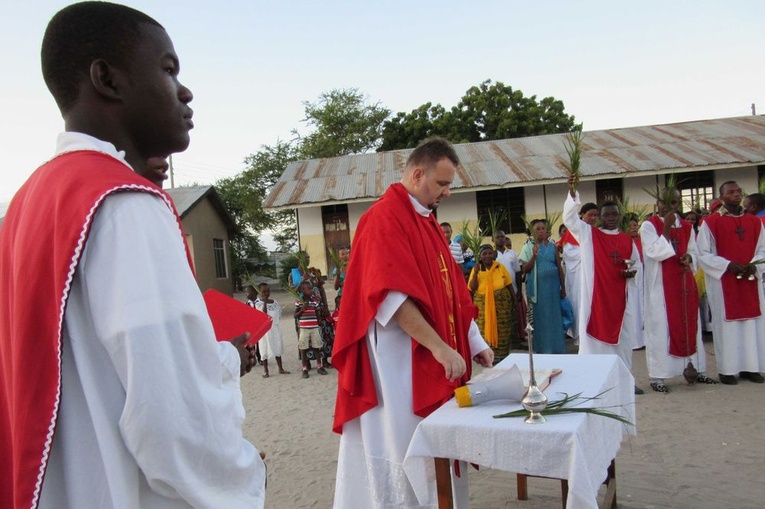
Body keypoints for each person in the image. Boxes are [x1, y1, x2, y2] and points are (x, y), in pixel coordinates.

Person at [0, 4, 266, 509]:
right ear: (107, 79)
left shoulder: (28, 203)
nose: (184, 91)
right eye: (168, 69)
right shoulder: (123, 202)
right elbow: (172, 415)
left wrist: (222, 357)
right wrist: (246, 478)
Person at [332, 138, 493, 508]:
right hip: (398, 361)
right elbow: (390, 297)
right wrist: (439, 347)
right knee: (402, 443)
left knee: (434, 441)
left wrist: (475, 341)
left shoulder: (428, 222)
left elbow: (454, 294)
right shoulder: (383, 218)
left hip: (432, 354)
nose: (448, 192)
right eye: (442, 184)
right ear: (418, 174)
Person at [563, 177, 643, 394]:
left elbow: (637, 267)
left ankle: (625, 380)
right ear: (599, 216)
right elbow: (570, 219)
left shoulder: (628, 240)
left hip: (621, 299)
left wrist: (632, 274)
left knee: (623, 341)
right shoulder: (590, 234)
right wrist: (572, 194)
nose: (610, 218)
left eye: (614, 214)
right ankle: (594, 381)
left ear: (620, 216)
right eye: (606, 214)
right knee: (595, 341)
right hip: (596, 298)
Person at [641, 190, 718, 392]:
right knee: (661, 329)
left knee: (690, 324)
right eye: (665, 202)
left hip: (684, 283)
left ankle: (696, 369)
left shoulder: (686, 226)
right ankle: (658, 376)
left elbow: (694, 250)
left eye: (674, 202)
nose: (670, 206)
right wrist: (666, 226)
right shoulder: (649, 226)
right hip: (661, 287)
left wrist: (690, 258)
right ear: (658, 202)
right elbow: (655, 252)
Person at [697, 181, 765, 385]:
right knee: (727, 327)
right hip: (724, 282)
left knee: (752, 324)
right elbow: (703, 254)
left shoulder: (755, 222)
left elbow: (762, 249)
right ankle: (727, 370)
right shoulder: (710, 223)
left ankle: (751, 368)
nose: (736, 195)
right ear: (721, 196)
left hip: (750, 280)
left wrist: (755, 265)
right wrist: (727, 265)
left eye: (738, 191)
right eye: (730, 192)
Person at [519, 219, 567, 353]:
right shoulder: (528, 247)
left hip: (553, 287)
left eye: (542, 229)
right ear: (533, 232)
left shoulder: (552, 247)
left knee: (554, 317)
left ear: (547, 231)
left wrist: (563, 287)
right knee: (542, 318)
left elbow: (559, 267)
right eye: (537, 229)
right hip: (539, 289)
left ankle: (557, 347)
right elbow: (525, 269)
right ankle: (543, 348)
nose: (540, 231)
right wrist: (534, 255)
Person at [468, 244, 517, 362]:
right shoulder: (477, 269)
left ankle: (503, 357)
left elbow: (509, 285)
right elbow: (472, 288)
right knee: (484, 330)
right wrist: (475, 273)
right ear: (480, 256)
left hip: (502, 307)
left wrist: (515, 301)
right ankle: (488, 356)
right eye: (484, 254)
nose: (487, 256)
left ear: (493, 254)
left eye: (489, 253)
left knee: (503, 331)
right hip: (483, 307)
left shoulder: (500, 267)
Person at [558, 202, 598, 345]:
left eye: (596, 215)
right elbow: (569, 254)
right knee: (581, 303)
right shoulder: (573, 231)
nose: (593, 218)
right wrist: (590, 253)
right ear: (582, 215)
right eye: (590, 215)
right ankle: (580, 337)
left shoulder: (596, 231)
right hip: (579, 276)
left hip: (594, 275)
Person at [295, 280, 329, 378]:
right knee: (303, 348)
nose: (311, 290)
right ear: (302, 290)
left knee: (316, 347)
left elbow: (317, 311)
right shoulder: (299, 301)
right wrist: (302, 309)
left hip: (314, 327)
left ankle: (319, 366)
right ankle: (304, 369)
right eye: (309, 289)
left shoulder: (314, 300)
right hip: (304, 328)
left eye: (311, 288)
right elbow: (295, 315)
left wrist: (318, 319)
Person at [255, 283, 290, 378]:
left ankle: (280, 368)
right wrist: (265, 302)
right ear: (260, 292)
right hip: (265, 331)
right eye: (264, 291)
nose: (267, 293)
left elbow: (278, 314)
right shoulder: (258, 304)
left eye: (268, 291)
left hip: (274, 328)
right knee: (264, 349)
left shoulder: (275, 302)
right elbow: (264, 315)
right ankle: (266, 370)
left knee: (277, 347)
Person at [244, 285, 263, 365]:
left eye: (248, 292)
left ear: (254, 292)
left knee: (260, 343)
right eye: (245, 292)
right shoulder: (246, 304)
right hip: (251, 326)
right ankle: (252, 359)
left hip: (259, 325)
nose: (246, 294)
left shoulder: (261, 302)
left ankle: (261, 357)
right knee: (251, 344)